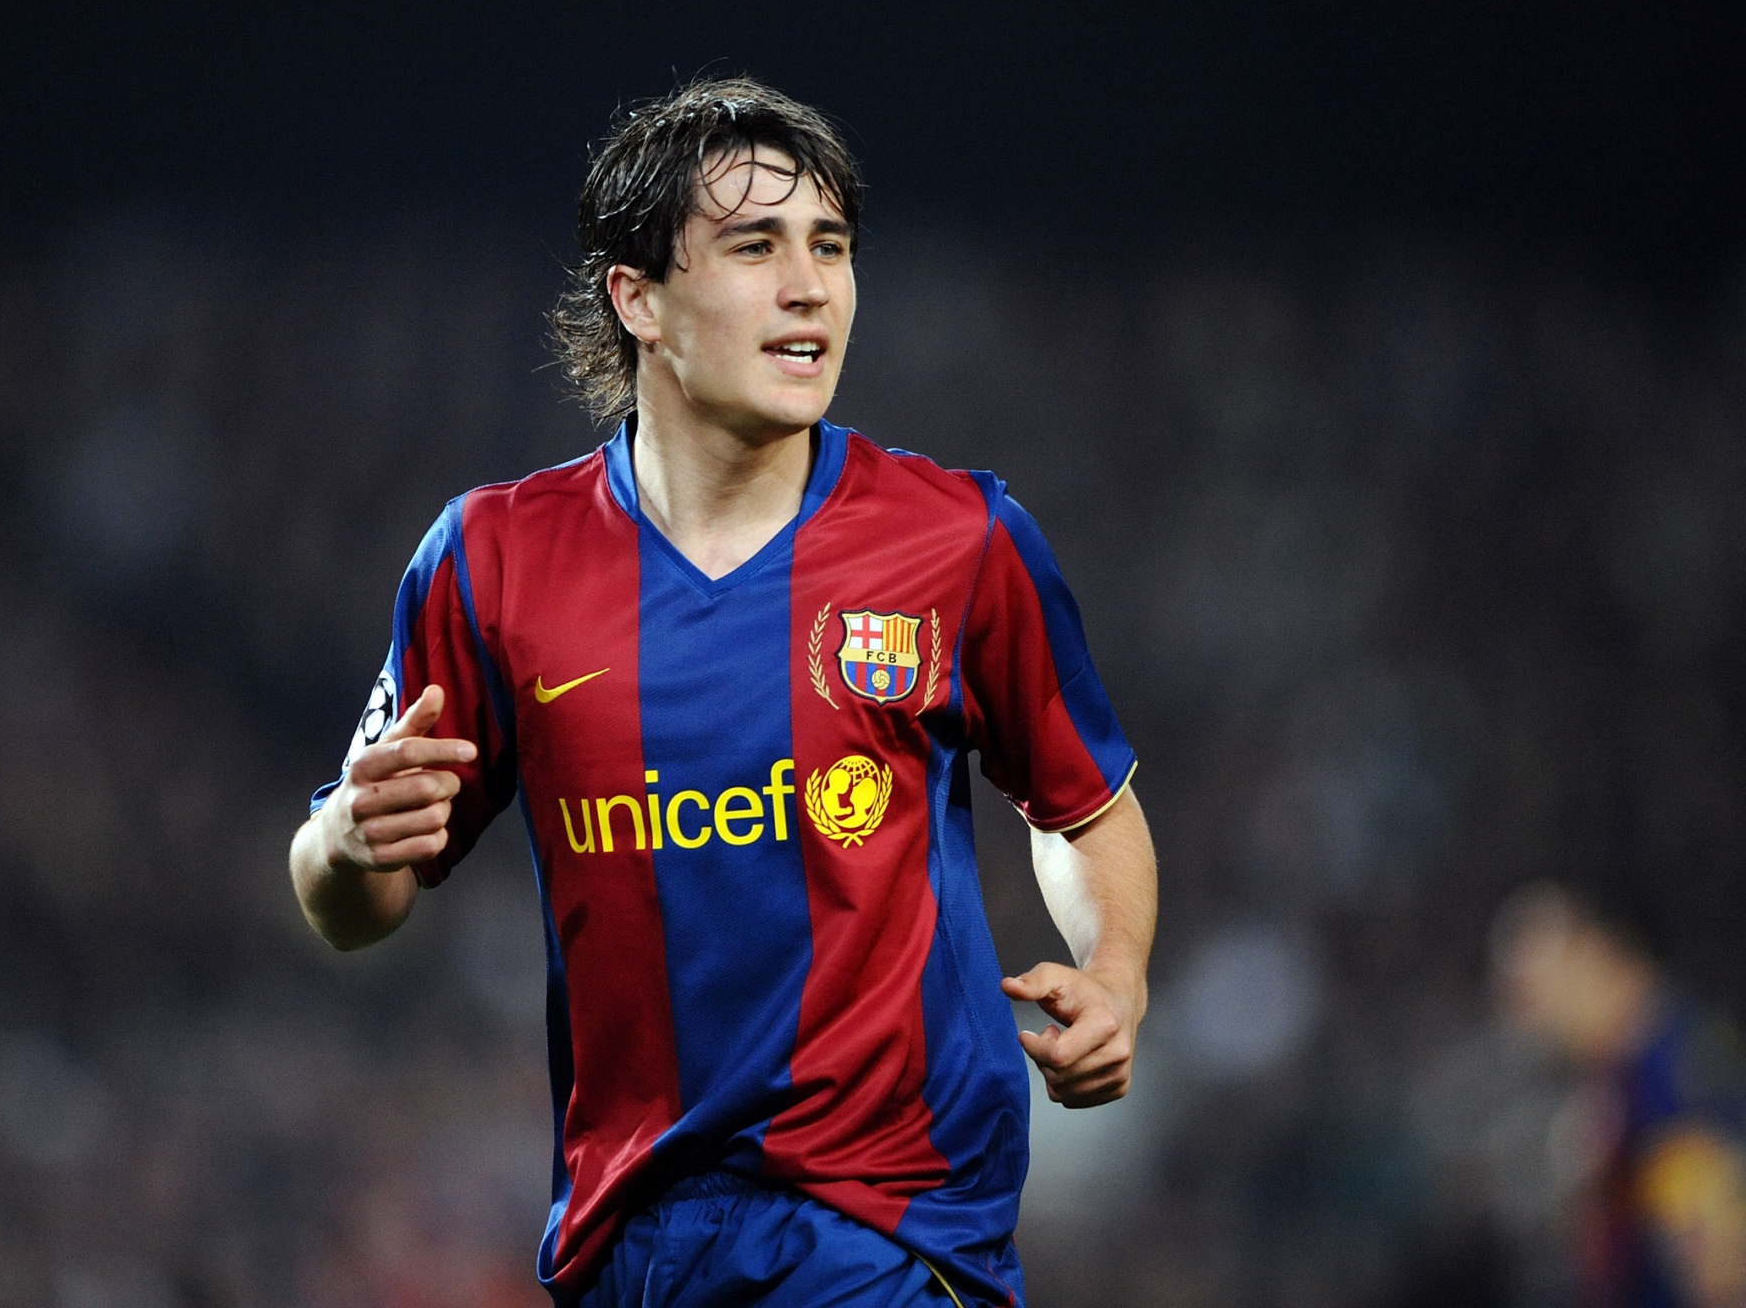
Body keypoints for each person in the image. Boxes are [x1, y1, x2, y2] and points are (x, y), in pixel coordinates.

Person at [289, 78, 1157, 1307]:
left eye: (830, 245)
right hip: (628, 1244)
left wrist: (1113, 970)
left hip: (888, 1232)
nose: (809, 286)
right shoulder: (491, 560)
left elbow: (1082, 809)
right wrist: (343, 836)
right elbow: (352, 903)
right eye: (755, 247)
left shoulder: (958, 538)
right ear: (636, 298)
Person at [1490, 883, 1746, 1308]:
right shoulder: (1618, 1069)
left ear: (1594, 957)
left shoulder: (1666, 1076)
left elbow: (1721, 1273)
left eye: (1535, 993)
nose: (1528, 1021)